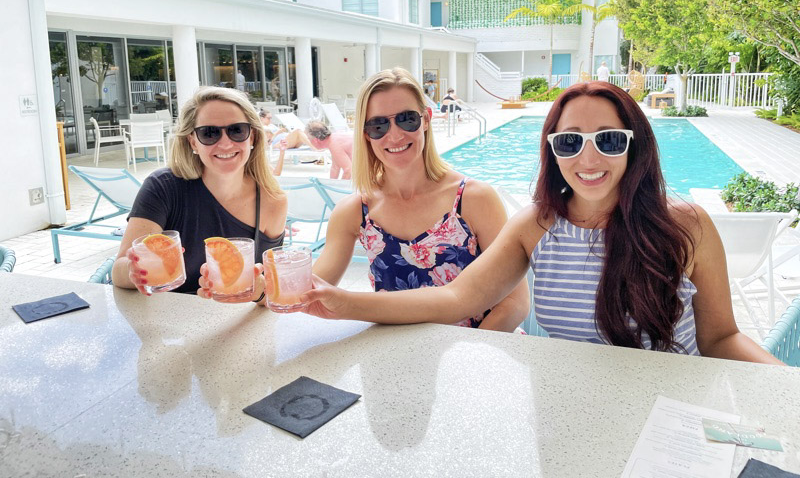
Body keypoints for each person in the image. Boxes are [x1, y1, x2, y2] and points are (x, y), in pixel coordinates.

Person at [297, 81, 782, 363]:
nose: (588, 158)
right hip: (570, 398)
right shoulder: (537, 225)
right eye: (570, 141)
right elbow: (456, 299)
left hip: (670, 401)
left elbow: (721, 338)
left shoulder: (686, 226)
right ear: (552, 149)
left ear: (635, 145)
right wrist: (341, 302)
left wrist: (786, 387)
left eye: (608, 140)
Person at [307, 68, 530, 331]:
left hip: (477, 351)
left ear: (426, 119)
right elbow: (312, 288)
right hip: (396, 356)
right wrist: (265, 286)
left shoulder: (473, 199)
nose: (395, 135)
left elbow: (515, 301)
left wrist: (470, 358)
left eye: (407, 119)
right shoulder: (356, 211)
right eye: (378, 125)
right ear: (366, 134)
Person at [111, 86, 288, 303]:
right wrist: (134, 270)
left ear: (252, 137)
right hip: (166, 321)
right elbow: (119, 270)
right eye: (209, 133)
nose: (225, 143)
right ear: (192, 141)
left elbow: (271, 293)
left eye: (237, 130)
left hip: (233, 325)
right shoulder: (162, 188)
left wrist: (259, 291)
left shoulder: (273, 202)